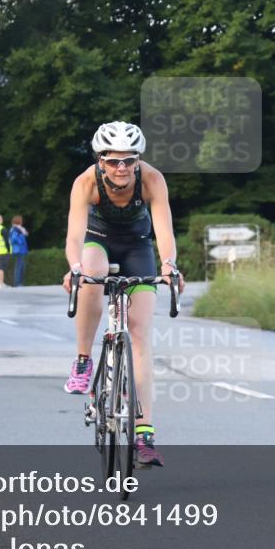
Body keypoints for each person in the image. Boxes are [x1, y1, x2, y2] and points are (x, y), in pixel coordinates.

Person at [62, 121, 185, 467]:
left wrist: (170, 266)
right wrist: (74, 267)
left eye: (129, 160)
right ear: (101, 161)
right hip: (97, 240)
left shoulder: (152, 179)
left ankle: (144, 433)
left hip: (137, 245)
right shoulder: (86, 182)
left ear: (137, 160)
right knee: (92, 272)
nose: (122, 168)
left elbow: (164, 230)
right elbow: (73, 235)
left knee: (140, 332)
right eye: (114, 160)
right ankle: (84, 360)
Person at [9, 215, 29, 286]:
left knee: (21, 266)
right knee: (19, 266)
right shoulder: (15, 229)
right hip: (18, 249)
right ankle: (17, 283)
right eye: (21, 220)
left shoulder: (18, 229)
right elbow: (13, 239)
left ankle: (19, 282)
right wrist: (21, 241)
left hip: (21, 249)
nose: (22, 221)